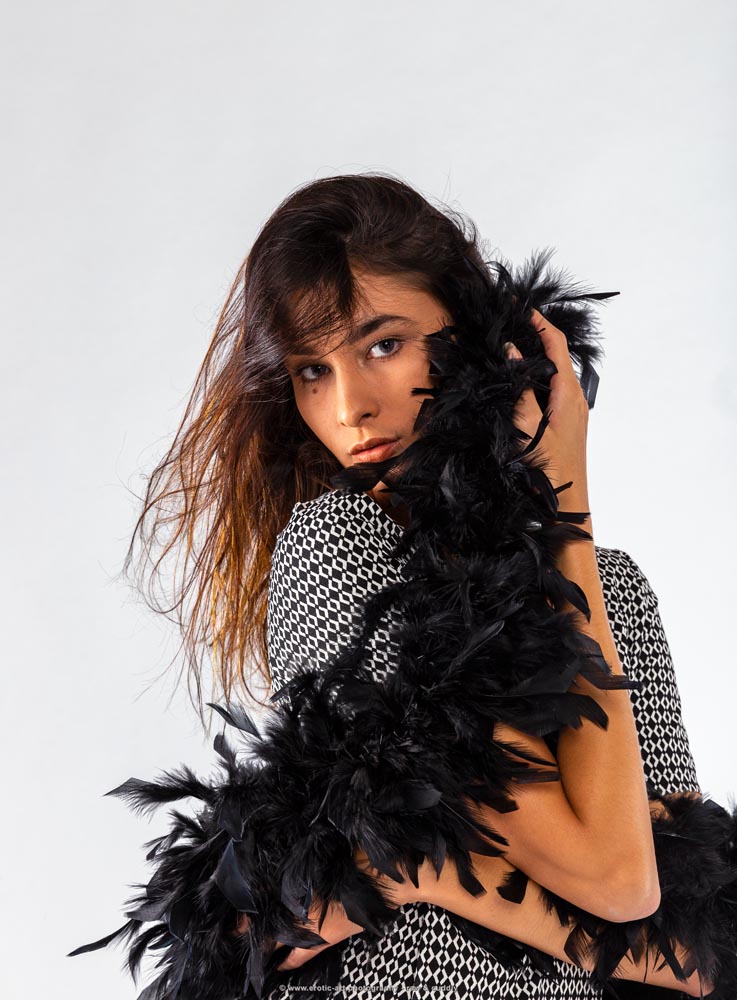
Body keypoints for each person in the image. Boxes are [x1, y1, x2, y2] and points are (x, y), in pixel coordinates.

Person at [121, 173, 710, 998]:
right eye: (311, 371)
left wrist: (565, 515)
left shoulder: (615, 595)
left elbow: (694, 948)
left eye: (382, 346)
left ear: (474, 336)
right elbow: (618, 891)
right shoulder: (336, 547)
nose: (349, 407)